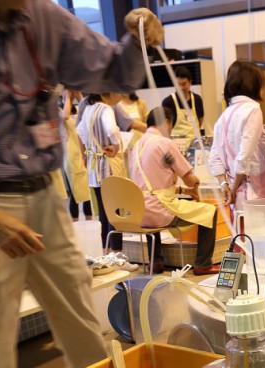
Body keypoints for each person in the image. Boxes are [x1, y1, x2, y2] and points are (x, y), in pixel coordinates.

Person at [0, 0, 163, 368]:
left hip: (45, 194)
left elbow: (112, 70)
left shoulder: (42, 18)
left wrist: (136, 35)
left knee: (86, 336)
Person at [130, 107, 219, 276]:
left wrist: (180, 189)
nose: (170, 130)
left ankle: (156, 261)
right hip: (160, 209)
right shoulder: (164, 143)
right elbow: (189, 179)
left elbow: (150, 186)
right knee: (210, 211)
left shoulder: (137, 146)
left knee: (150, 205)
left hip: (139, 211)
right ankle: (203, 264)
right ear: (166, 122)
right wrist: (194, 182)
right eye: (171, 125)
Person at [76, 92, 138, 266]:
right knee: (115, 212)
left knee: (103, 213)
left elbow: (79, 132)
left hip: (94, 168)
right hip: (107, 166)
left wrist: (85, 154)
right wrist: (116, 145)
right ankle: (118, 258)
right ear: (107, 92)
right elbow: (111, 129)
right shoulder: (105, 109)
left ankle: (105, 256)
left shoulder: (88, 109)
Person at [208, 61, 265, 211]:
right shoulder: (253, 109)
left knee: (239, 226)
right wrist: (234, 187)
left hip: (236, 195)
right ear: (254, 84)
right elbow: (244, 156)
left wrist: (225, 185)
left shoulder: (224, 115)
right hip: (253, 194)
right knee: (256, 226)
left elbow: (214, 158)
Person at [61, 90, 93, 222]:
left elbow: (89, 109)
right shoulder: (59, 110)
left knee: (87, 191)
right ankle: (75, 224)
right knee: (75, 191)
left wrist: (79, 95)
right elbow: (65, 116)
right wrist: (68, 97)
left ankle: (89, 222)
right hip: (71, 153)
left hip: (83, 151)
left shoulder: (79, 109)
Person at [161, 66, 204, 145]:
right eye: (178, 85)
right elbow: (165, 127)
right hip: (176, 146)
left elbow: (200, 120)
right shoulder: (168, 102)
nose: (181, 88)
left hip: (195, 145)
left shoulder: (197, 99)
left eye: (184, 84)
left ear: (190, 82)